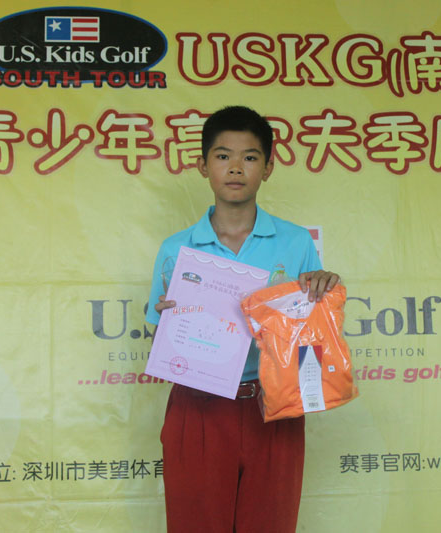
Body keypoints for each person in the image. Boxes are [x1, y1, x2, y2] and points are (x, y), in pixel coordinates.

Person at [145, 105, 340, 533]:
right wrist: (168, 328)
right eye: (222, 156)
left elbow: (312, 340)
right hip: (197, 405)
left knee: (270, 525)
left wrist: (323, 295)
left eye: (250, 157)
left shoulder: (295, 243)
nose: (235, 168)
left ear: (267, 168)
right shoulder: (177, 250)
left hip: (272, 405)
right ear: (203, 165)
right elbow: (158, 343)